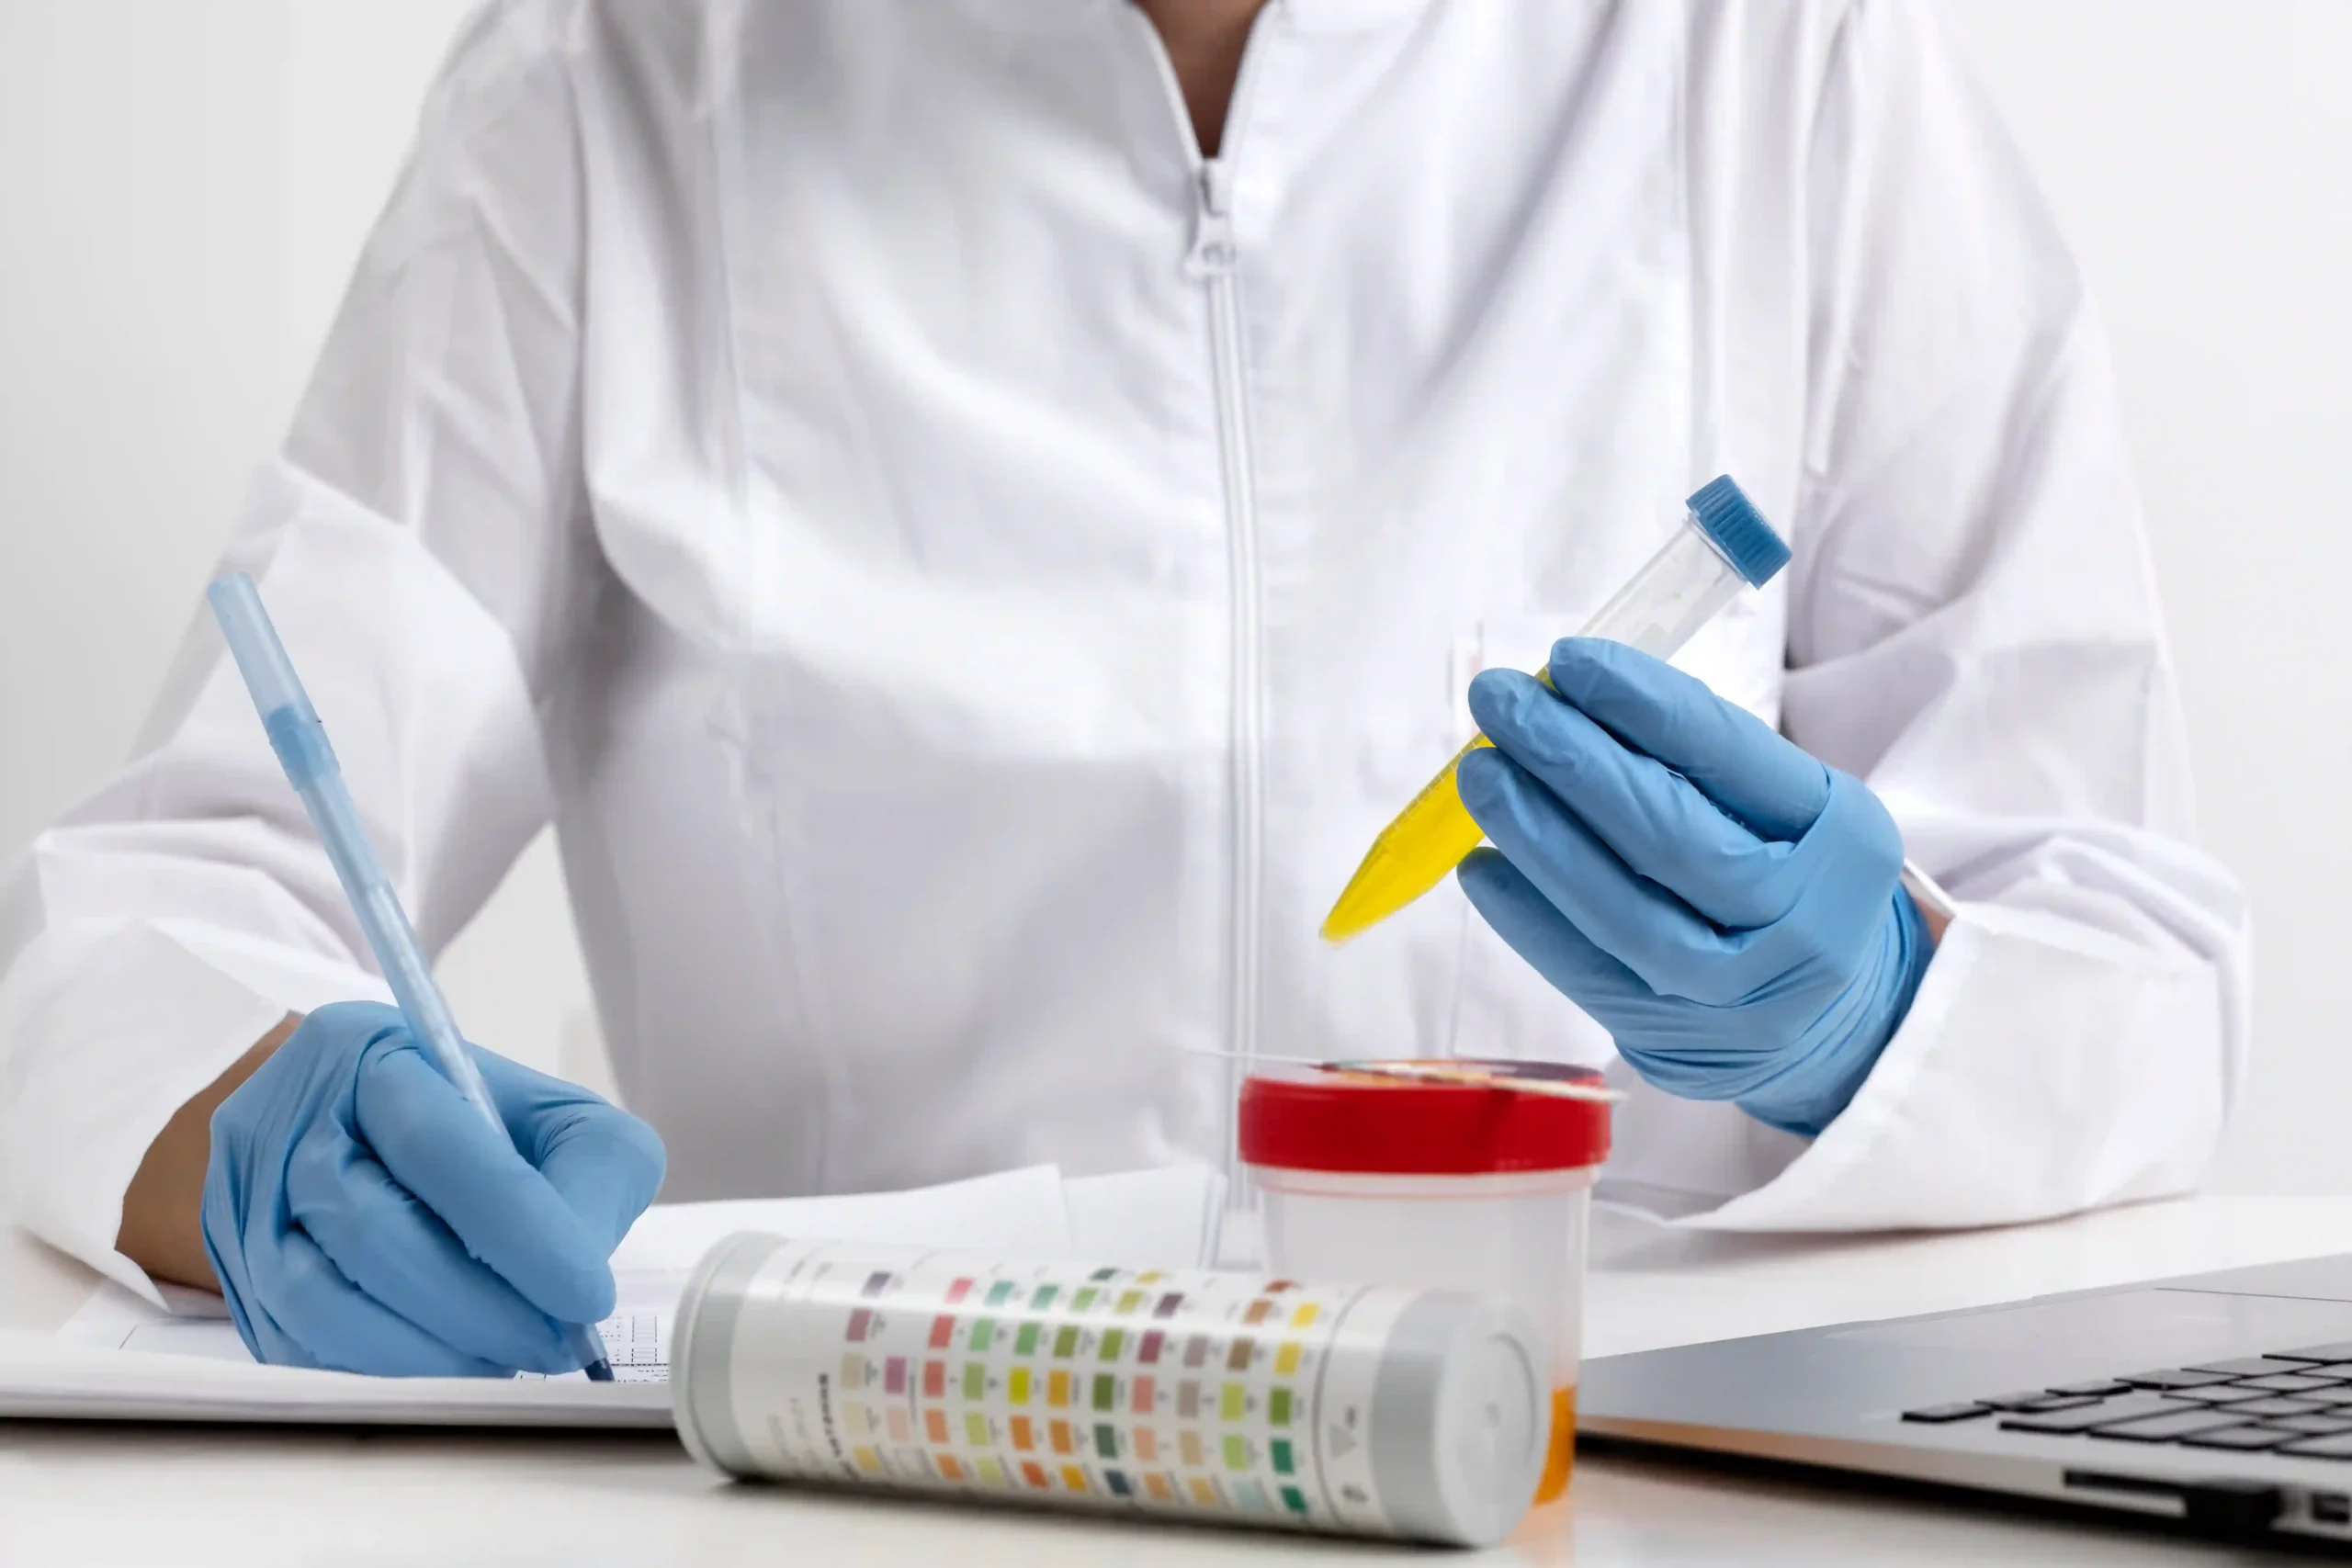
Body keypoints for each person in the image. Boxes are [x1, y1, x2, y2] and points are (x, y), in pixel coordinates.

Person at [0, 0, 2247, 1377]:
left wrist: (1881, 1014)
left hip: (1591, 1475)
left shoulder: (1780, 60)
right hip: (840, 1465)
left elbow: (2133, 971)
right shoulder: (625, 79)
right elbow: (150, 910)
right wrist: (266, 1137)